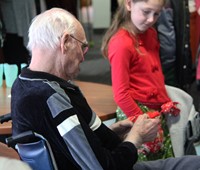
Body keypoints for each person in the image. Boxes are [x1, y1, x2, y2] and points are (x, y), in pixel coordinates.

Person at [11, 7, 200, 170]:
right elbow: (103, 167)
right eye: (83, 46)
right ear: (66, 42)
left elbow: (80, 142)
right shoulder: (51, 97)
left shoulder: (23, 84)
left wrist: (116, 130)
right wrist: (136, 138)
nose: (84, 57)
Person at [101, 0, 182, 161]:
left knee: (163, 162)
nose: (151, 19)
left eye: (156, 13)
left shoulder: (151, 34)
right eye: (146, 12)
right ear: (129, 4)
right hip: (136, 113)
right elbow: (121, 93)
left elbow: (155, 76)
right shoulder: (121, 43)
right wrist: (142, 122)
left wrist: (164, 103)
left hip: (154, 113)